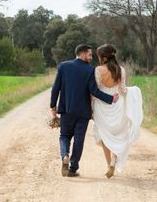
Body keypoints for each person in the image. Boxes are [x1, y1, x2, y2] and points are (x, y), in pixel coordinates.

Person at [50, 44, 119, 177]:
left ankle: (65, 155)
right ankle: (73, 167)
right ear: (81, 54)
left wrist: (53, 107)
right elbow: (94, 91)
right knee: (79, 140)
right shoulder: (89, 70)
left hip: (66, 110)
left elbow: (55, 88)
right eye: (89, 54)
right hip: (83, 112)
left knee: (64, 136)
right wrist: (111, 99)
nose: (91, 57)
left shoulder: (63, 66)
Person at [92, 44, 143, 178]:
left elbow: (95, 90)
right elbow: (123, 90)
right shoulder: (121, 70)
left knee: (104, 135)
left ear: (103, 57)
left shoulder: (98, 70)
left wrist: (91, 107)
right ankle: (114, 160)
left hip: (102, 105)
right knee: (118, 134)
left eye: (98, 56)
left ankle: (109, 164)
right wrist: (135, 91)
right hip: (117, 104)